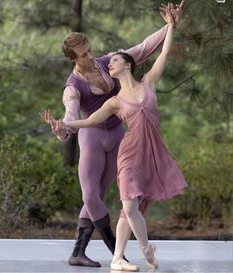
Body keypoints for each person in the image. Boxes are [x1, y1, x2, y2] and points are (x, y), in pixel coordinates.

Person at [40, 1, 185, 268]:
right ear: (72, 58)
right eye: (83, 54)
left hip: (117, 135)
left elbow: (143, 48)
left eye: (89, 50)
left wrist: (169, 26)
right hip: (93, 137)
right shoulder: (72, 87)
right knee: (90, 196)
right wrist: (63, 130)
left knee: (113, 193)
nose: (90, 56)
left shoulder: (110, 62)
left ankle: (78, 252)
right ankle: (116, 253)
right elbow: (72, 116)